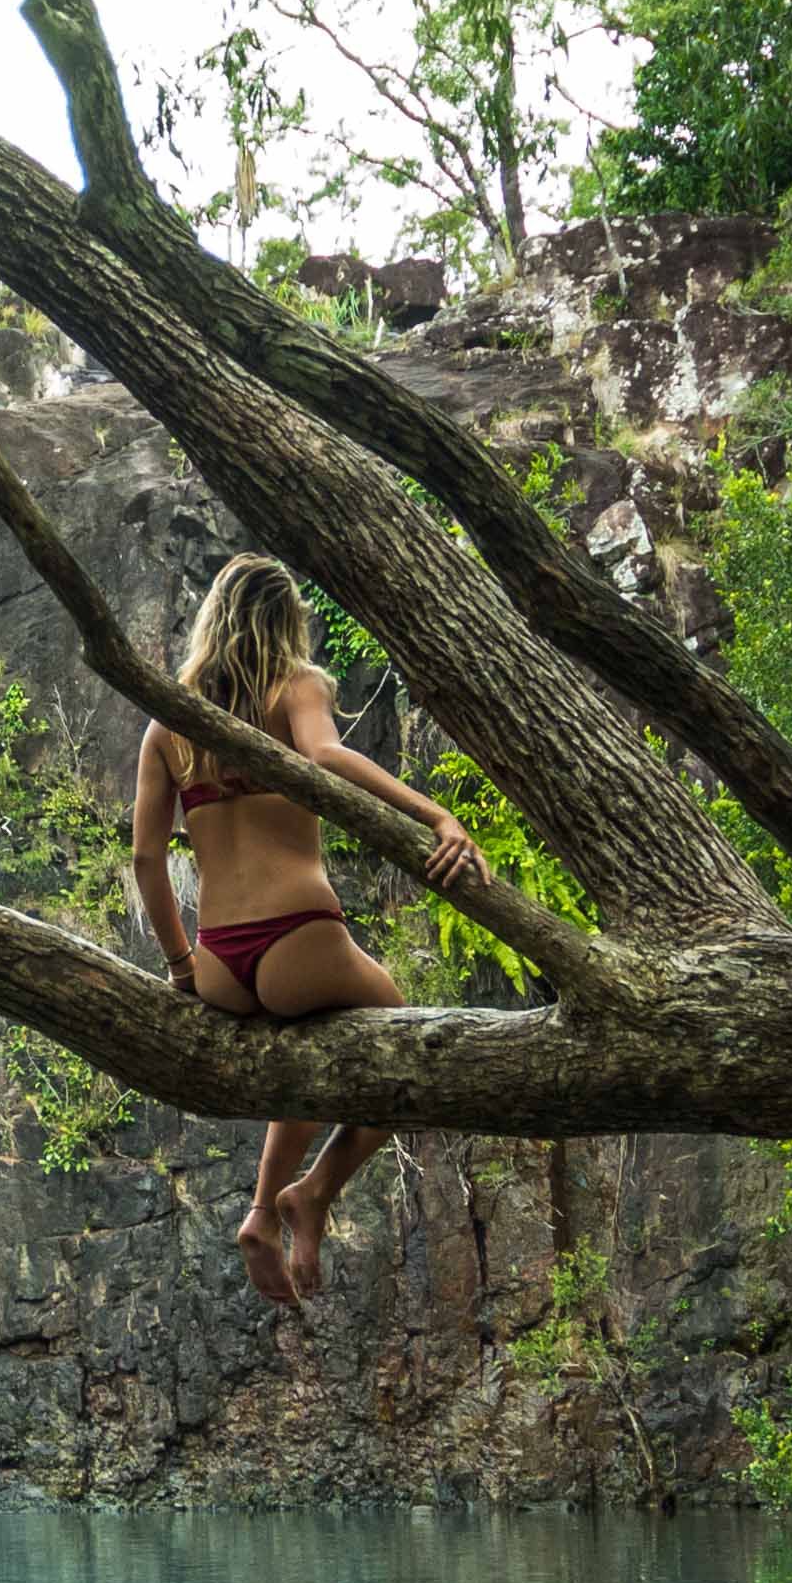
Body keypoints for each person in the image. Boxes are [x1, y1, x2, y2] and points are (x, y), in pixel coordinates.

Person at [128, 553, 480, 1306]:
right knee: (406, 1046)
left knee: (309, 1053)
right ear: (286, 621)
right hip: (298, 936)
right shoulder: (297, 687)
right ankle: (311, 1190)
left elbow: (146, 857)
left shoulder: (169, 724)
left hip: (223, 965)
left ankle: (265, 1212)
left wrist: (183, 968)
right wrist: (436, 815)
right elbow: (324, 754)